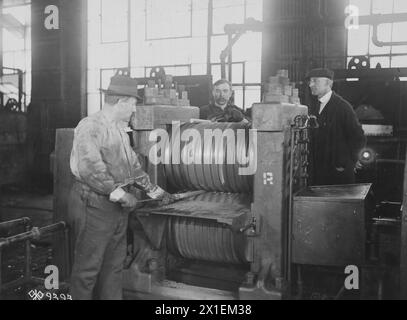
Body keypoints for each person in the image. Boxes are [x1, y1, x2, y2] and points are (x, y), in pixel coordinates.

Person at [68, 73, 173, 300]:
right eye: (133, 104)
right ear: (121, 102)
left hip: (115, 209)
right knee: (87, 271)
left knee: (113, 269)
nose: (134, 110)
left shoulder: (119, 130)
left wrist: (154, 190)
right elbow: (90, 167)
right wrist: (120, 194)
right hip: (94, 205)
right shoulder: (90, 126)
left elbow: (132, 167)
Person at [307, 68, 366, 186]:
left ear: (328, 83)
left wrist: (349, 162)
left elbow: (358, 137)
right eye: (310, 81)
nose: (310, 84)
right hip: (318, 173)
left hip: (337, 173)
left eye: (315, 81)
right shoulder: (313, 106)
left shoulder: (343, 107)